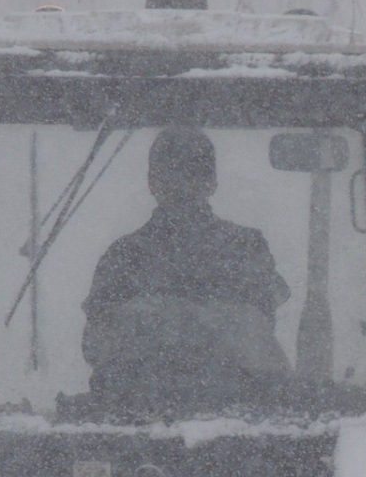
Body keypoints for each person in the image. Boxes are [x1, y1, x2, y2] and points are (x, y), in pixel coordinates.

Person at [82, 126, 291, 409]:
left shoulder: (246, 248)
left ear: (211, 182)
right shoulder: (123, 256)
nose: (181, 185)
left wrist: (155, 324)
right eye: (170, 174)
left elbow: (257, 336)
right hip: (141, 422)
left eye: (192, 174)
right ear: (152, 182)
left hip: (233, 422)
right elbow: (99, 345)